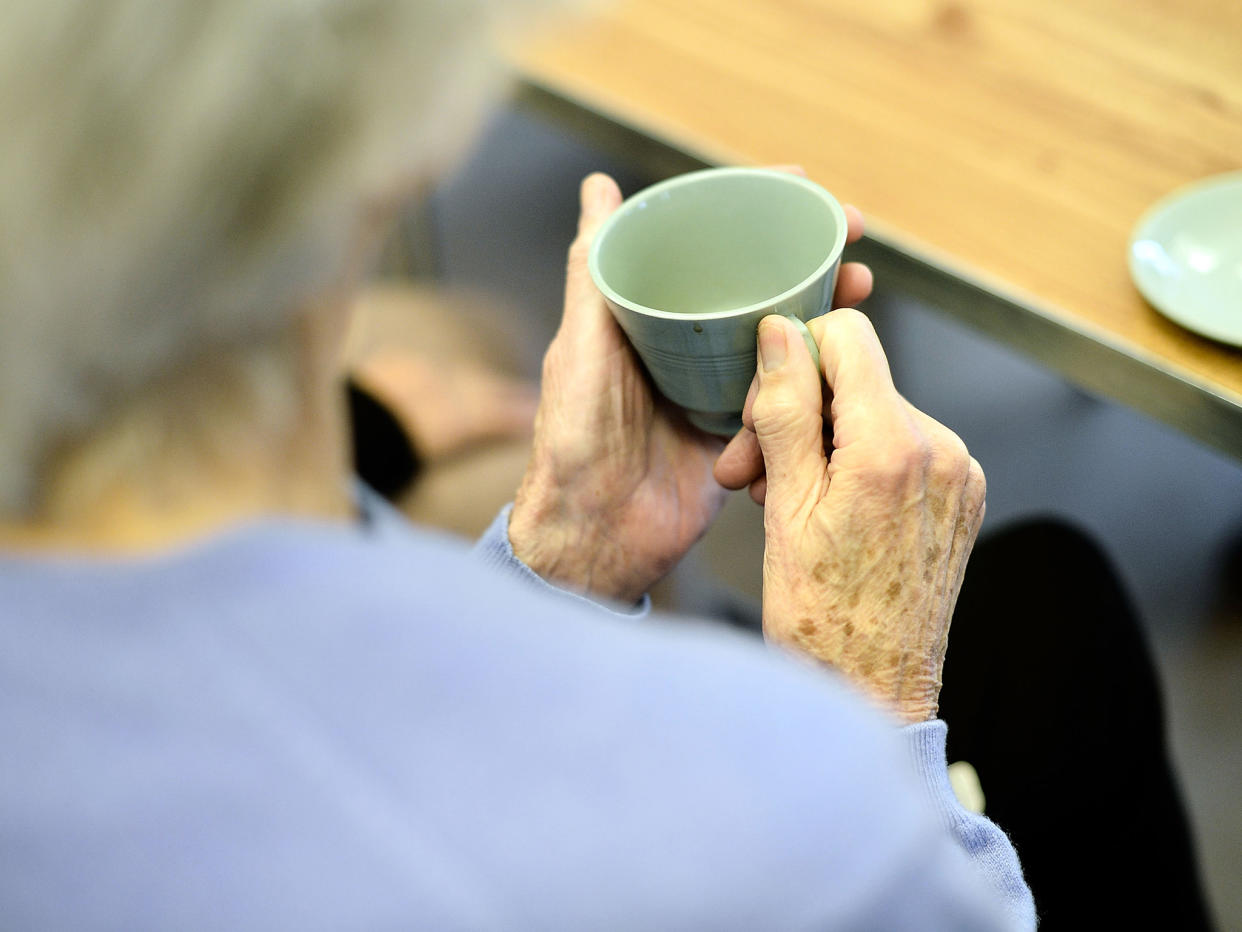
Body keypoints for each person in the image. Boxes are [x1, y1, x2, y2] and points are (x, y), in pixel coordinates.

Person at [0, 1, 1035, 928]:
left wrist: (558, 565)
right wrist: (866, 705)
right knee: (1059, 612)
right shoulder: (793, 828)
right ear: (409, 126)